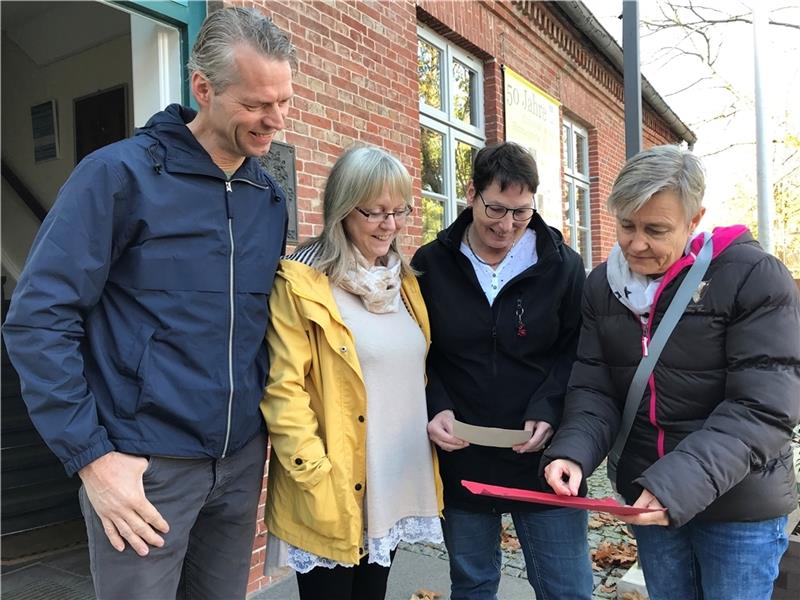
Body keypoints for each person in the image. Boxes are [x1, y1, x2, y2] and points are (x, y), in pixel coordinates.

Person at [2, 7, 295, 599]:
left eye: (284, 101)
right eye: (256, 104)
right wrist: (93, 458)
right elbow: (37, 319)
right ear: (203, 88)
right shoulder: (117, 177)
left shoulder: (269, 197)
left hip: (238, 462)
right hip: (144, 468)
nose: (275, 121)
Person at [543, 144, 800, 600]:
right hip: (651, 497)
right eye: (626, 225)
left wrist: (672, 485)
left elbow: (763, 409)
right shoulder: (603, 286)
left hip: (738, 506)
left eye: (656, 230)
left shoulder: (754, 277)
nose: (636, 244)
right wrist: (574, 452)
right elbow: (594, 388)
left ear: (694, 220)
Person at [411, 141, 593, 600]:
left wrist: (550, 406)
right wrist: (436, 406)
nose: (507, 225)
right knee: (472, 586)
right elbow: (419, 352)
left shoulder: (563, 266)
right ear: (471, 192)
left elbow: (577, 352)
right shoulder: (430, 264)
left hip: (543, 460)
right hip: (462, 455)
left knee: (567, 590)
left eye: (521, 212)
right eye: (495, 208)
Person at [261, 145, 444, 600]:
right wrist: (314, 472)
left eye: (399, 210)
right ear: (342, 209)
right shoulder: (303, 282)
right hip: (333, 484)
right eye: (375, 212)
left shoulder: (404, 281)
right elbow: (282, 387)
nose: (391, 225)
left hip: (395, 483)